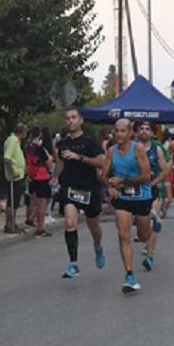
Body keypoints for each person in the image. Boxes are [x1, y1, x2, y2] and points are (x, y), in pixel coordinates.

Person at [52, 107, 106, 279]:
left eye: (74, 117)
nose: (70, 121)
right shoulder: (62, 143)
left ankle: (98, 247)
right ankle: (73, 264)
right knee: (69, 222)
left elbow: (101, 162)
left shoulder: (90, 141)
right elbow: (60, 162)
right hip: (70, 187)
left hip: (89, 188)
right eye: (68, 118)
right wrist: (55, 177)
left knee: (94, 227)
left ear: (81, 120)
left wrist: (80, 157)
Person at [104, 119, 152, 293]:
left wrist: (123, 180)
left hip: (142, 196)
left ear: (130, 133)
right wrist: (110, 186)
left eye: (123, 131)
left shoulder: (137, 149)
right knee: (123, 235)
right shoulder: (111, 151)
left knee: (144, 235)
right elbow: (103, 175)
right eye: (116, 130)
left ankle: (152, 217)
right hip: (123, 198)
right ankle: (129, 276)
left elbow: (147, 176)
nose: (119, 134)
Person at [136, 121, 168, 269]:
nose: (144, 131)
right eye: (141, 129)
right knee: (140, 224)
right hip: (135, 190)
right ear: (136, 132)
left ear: (152, 132)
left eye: (147, 129)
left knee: (149, 219)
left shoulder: (157, 149)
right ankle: (153, 224)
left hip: (153, 190)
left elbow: (166, 169)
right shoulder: (131, 148)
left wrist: (155, 182)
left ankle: (149, 256)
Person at [24, 126, 54, 237]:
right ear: (40, 135)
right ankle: (40, 228)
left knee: (34, 200)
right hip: (42, 176)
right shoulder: (39, 149)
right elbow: (48, 162)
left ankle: (31, 217)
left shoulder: (27, 147)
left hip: (32, 176)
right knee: (43, 202)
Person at [3, 124, 27, 233]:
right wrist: (13, 171)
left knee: (15, 201)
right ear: (22, 132)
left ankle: (12, 223)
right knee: (13, 201)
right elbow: (7, 157)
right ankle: (10, 224)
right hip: (15, 176)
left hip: (19, 174)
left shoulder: (14, 140)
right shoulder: (13, 141)